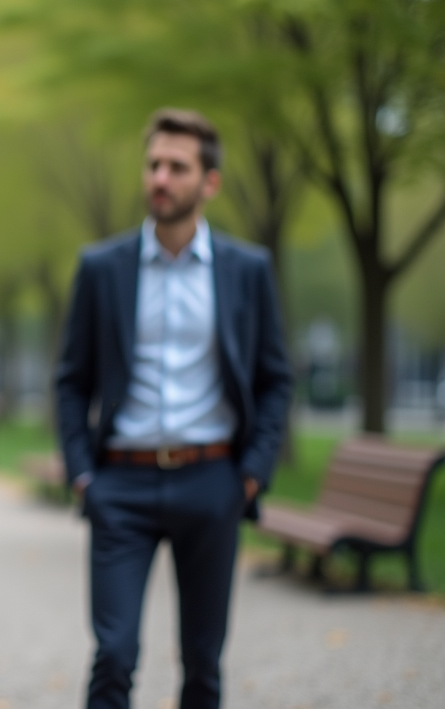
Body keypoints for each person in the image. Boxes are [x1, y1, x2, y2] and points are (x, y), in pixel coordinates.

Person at [55, 109, 291, 709]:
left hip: (213, 480)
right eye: (154, 164)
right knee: (114, 655)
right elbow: (70, 380)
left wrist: (252, 471)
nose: (160, 178)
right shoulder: (102, 268)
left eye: (177, 167)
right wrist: (85, 475)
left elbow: (274, 380)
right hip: (121, 486)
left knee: (203, 663)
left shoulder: (247, 271)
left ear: (208, 182)